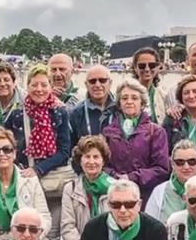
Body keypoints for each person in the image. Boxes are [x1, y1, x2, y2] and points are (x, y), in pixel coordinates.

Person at [101, 78, 170, 206]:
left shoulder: (156, 132)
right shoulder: (108, 132)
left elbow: (161, 169)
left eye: (134, 98)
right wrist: (116, 177)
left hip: (145, 196)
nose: (129, 102)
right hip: (115, 193)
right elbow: (102, 165)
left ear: (142, 103)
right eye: (125, 98)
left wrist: (131, 177)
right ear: (119, 103)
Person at [3, 65, 72, 182]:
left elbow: (64, 152)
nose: (39, 89)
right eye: (34, 85)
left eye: (44, 85)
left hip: (51, 176)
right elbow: (6, 146)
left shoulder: (59, 113)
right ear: (27, 87)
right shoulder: (16, 114)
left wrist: (39, 169)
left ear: (51, 87)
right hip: (23, 176)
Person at [145, 139, 196, 222]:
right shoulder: (159, 192)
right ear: (172, 164)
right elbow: (150, 227)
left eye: (192, 161)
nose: (186, 167)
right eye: (180, 162)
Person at [60, 135, 112, 240]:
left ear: (103, 161)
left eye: (96, 157)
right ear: (80, 160)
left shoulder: (115, 188)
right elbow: (67, 227)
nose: (91, 161)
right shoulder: (70, 188)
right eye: (87, 157)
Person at [69, 64, 115, 145]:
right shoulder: (76, 114)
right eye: (92, 81)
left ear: (110, 83)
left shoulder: (121, 110)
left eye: (102, 80)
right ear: (86, 85)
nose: (97, 85)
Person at [131, 47, 168, 124]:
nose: (147, 69)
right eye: (142, 66)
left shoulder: (163, 95)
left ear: (158, 67)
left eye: (152, 65)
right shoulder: (126, 94)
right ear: (135, 68)